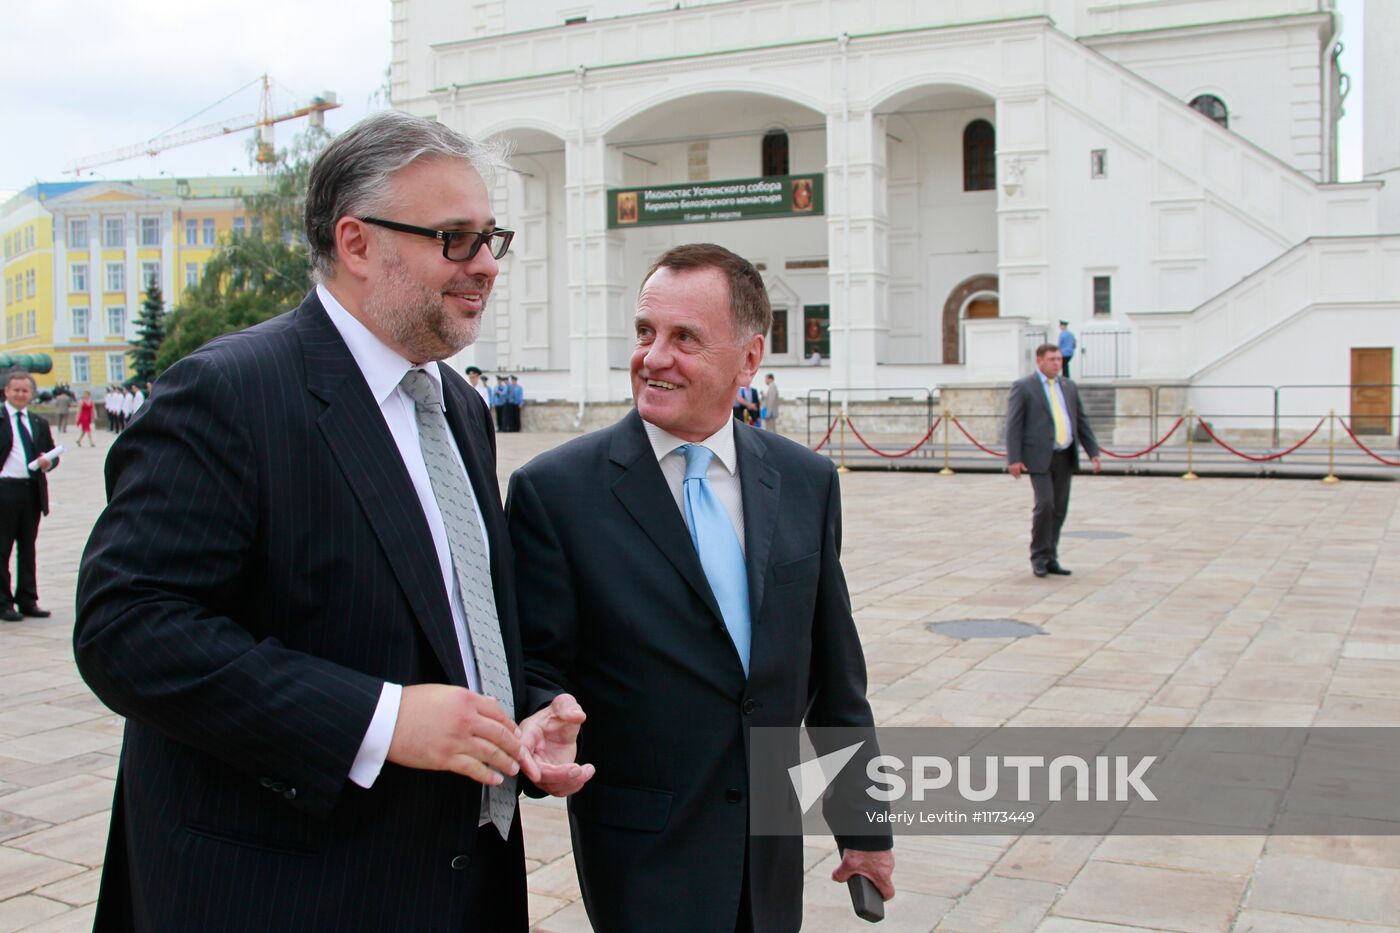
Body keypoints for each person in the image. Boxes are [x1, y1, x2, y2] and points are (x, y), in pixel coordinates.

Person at [74, 110, 589, 932]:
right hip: (288, 889)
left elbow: (446, 613)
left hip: (461, 878)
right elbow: (127, 631)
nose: (486, 266)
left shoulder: (456, 405)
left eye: (493, 237)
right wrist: (379, 721)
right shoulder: (230, 393)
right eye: (454, 239)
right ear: (355, 243)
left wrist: (517, 713)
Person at [507, 243, 894, 932]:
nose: (653, 356)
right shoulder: (556, 492)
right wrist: (544, 720)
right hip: (644, 857)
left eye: (684, 337)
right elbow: (534, 667)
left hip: (769, 856)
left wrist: (863, 826)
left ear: (749, 359)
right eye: (644, 332)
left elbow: (836, 677)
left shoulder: (807, 481)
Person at [1006, 344, 1100, 577]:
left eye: (1059, 359)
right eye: (1052, 359)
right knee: (1045, 504)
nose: (1057, 363)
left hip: (1064, 456)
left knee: (1059, 509)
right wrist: (1014, 458)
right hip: (1038, 457)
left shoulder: (1068, 386)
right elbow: (1014, 425)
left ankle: (1051, 556)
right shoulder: (1024, 387)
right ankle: (1038, 555)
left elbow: (1080, 419)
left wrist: (1093, 451)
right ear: (1039, 361)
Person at [0, 371, 58, 623]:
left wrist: (49, 462)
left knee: (28, 547)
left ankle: (27, 598)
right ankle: (3, 603)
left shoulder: (38, 423)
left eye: (25, 391)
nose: (21, 394)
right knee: (2, 549)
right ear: (6, 391)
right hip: (4, 490)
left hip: (31, 490)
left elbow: (51, 454)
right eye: (16, 390)